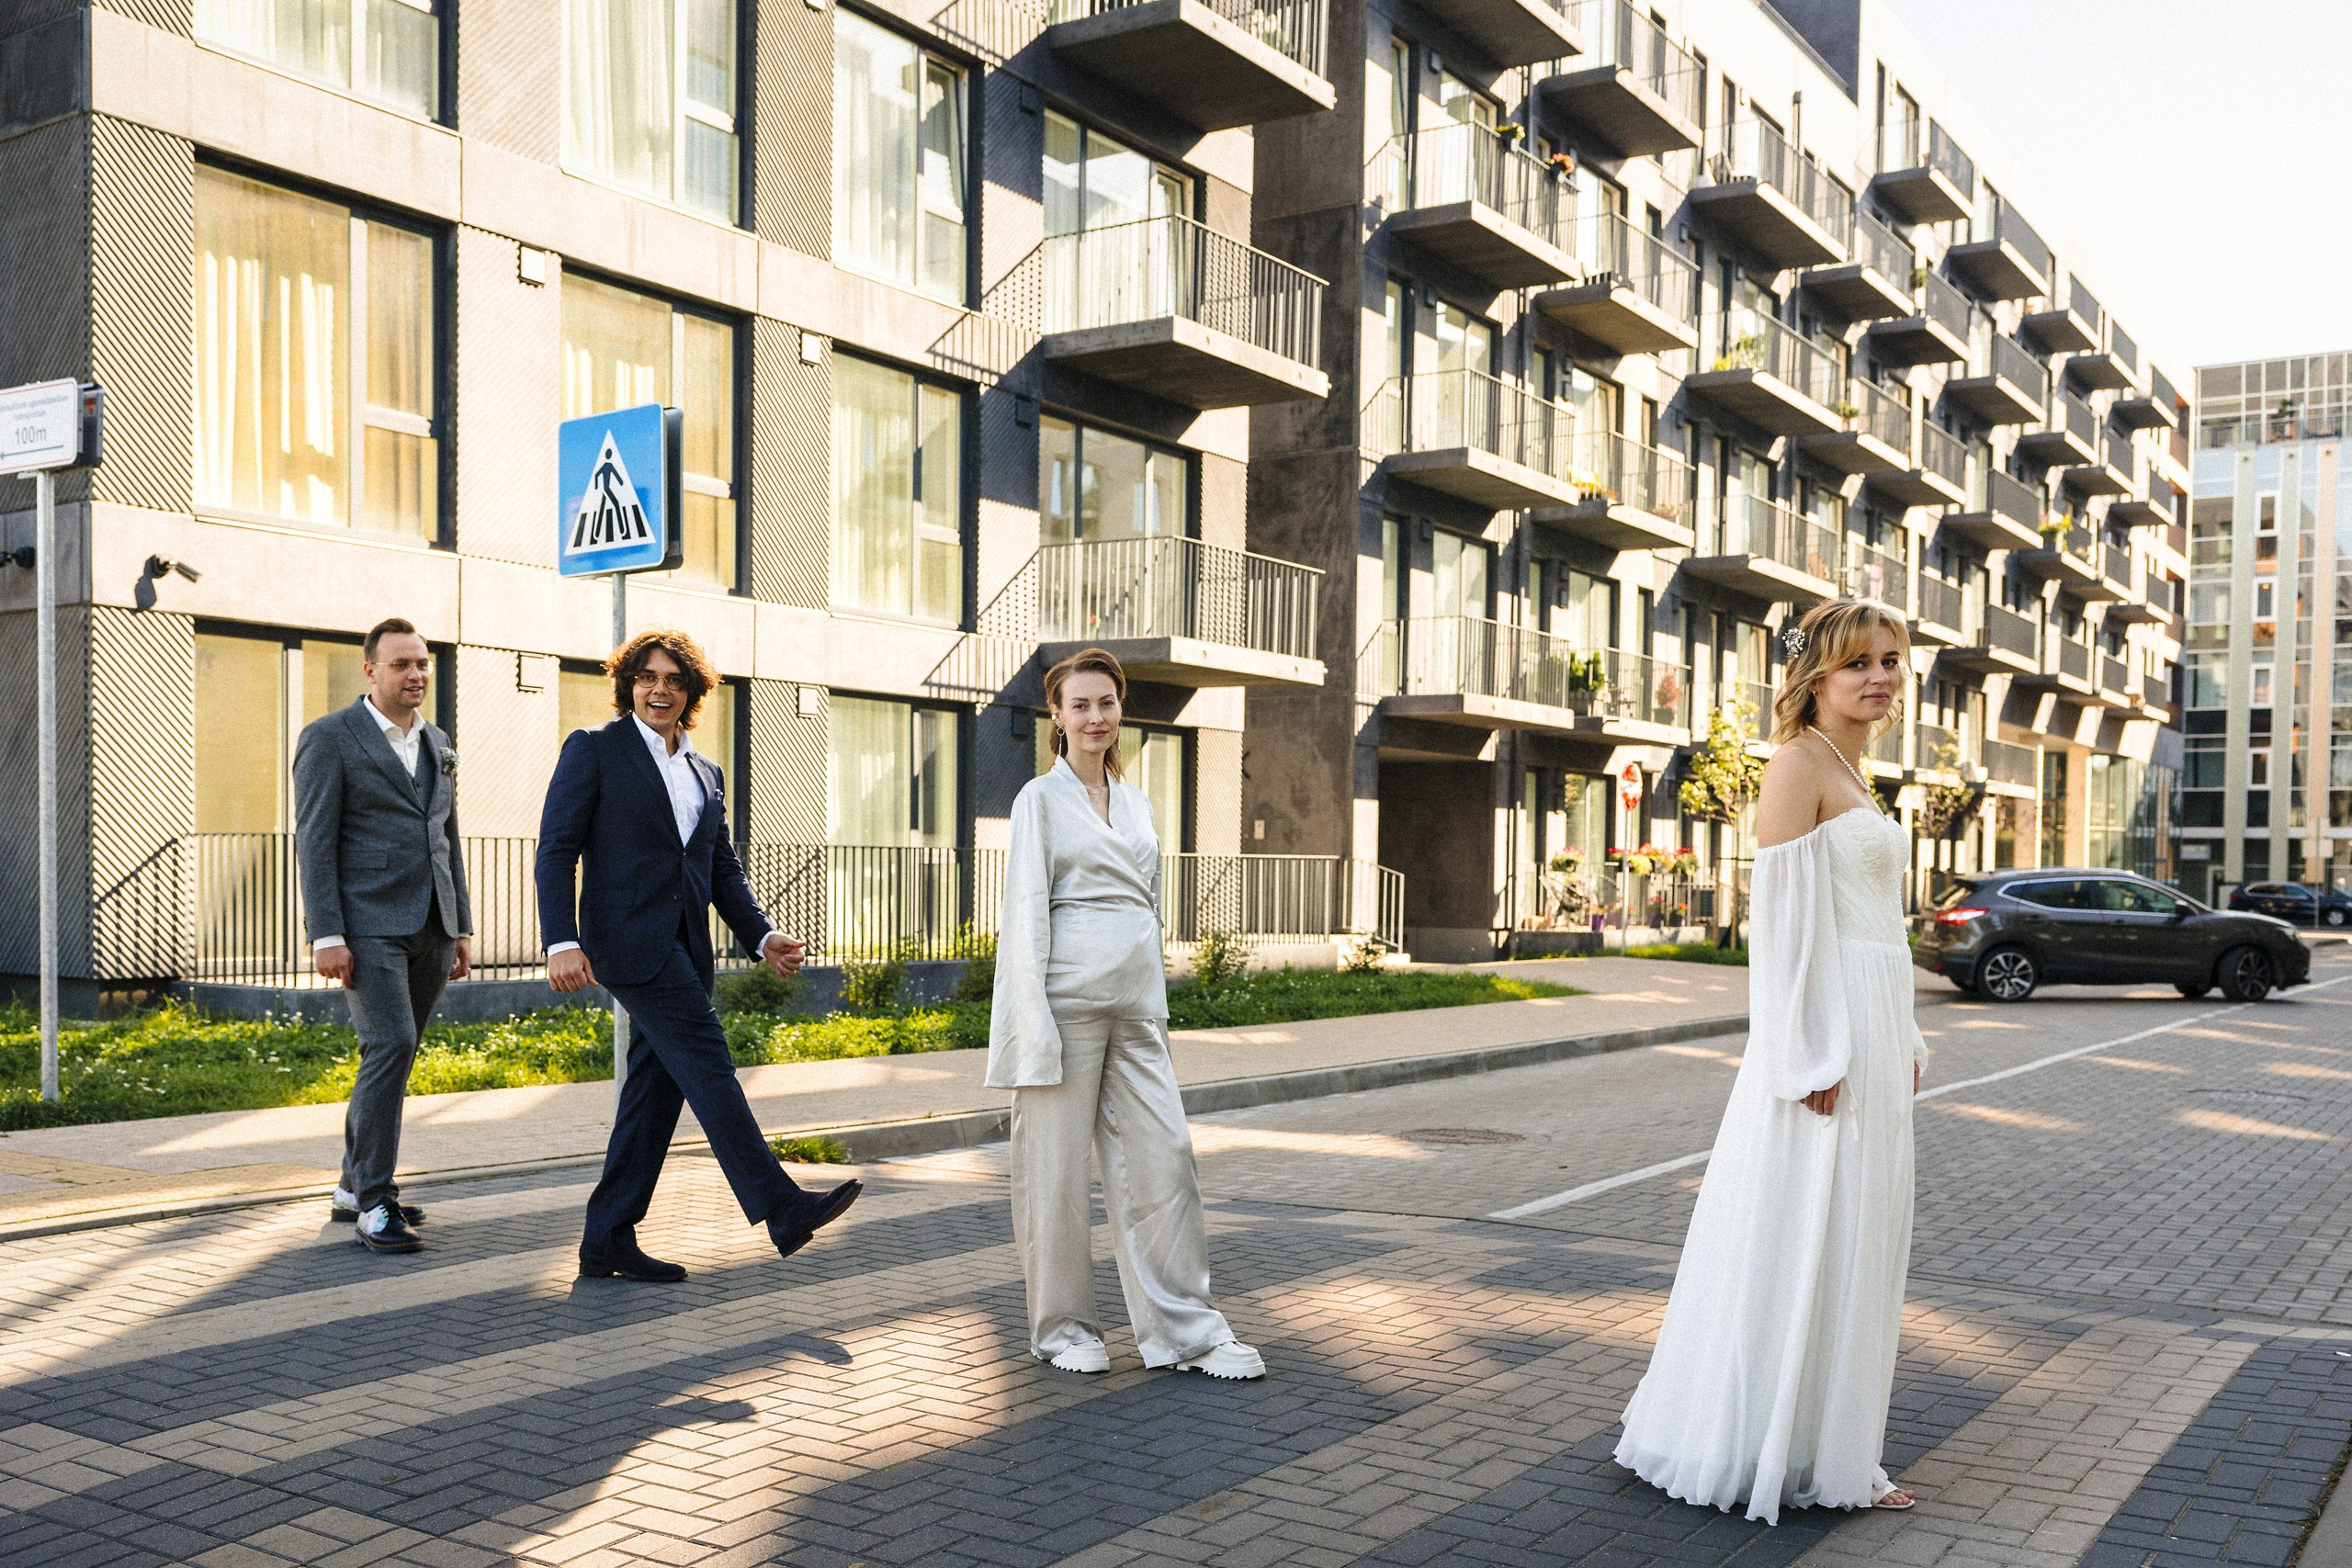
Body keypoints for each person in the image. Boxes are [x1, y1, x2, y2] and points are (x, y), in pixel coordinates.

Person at [1614, 598, 1928, 1523]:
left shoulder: (1851, 766)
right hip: (1823, 1040)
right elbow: (1784, 934)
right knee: (1807, 1232)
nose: (1876, 677)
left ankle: (1829, 1448)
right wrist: (1807, 1055)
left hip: (1868, 1027)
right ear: (1814, 677)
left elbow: (1869, 925)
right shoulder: (1796, 764)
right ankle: (1762, 1444)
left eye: (1888, 661)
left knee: (1856, 1240)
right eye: (1854, 663)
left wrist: (1902, 1034)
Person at [537, 628, 860, 1282]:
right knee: (710, 1064)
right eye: (646, 677)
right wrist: (560, 939)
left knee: (653, 1095)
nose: (659, 689)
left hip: (685, 948)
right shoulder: (595, 750)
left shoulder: (703, 771)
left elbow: (720, 869)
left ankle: (607, 1237)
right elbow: (555, 847)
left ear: (691, 692)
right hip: (628, 944)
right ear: (627, 684)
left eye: (673, 680)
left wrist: (762, 936)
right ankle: (780, 1204)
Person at [989, 647, 1262, 1380]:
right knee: (1053, 1176)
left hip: (1138, 1005)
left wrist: (1158, 987)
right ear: (1058, 715)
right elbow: (1024, 918)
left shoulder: (1137, 800)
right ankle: (1064, 1329)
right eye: (1080, 704)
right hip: (1065, 1005)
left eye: (1106, 702)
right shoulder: (1038, 802)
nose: (1096, 716)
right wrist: (1029, 1027)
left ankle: (1188, 1331)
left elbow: (1149, 904)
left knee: (1164, 1164)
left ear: (1120, 707)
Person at [292, 616, 473, 1255]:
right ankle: (375, 1201)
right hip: (366, 926)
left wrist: (463, 925)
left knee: (394, 1055)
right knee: (390, 1042)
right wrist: (326, 933)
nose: (416, 674)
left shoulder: (438, 741)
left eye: (422, 663)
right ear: (370, 670)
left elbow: (447, 836)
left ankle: (350, 1185)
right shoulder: (330, 738)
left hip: (431, 923)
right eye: (401, 664)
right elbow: (313, 841)